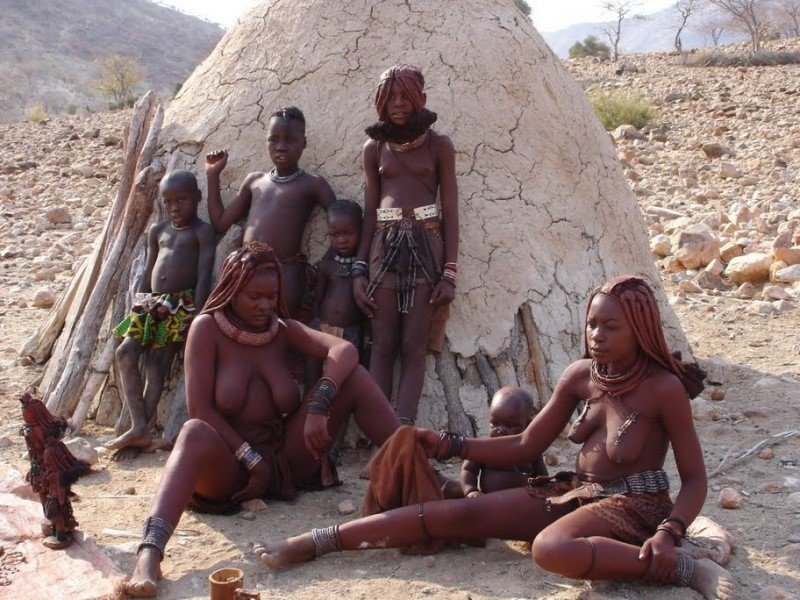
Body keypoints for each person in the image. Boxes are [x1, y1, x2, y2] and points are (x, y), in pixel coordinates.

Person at [255, 276, 735, 600]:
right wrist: (449, 444)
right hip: (578, 494)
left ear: (640, 329)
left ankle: (685, 569)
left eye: (611, 326)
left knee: (549, 549)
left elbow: (694, 479)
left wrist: (670, 532)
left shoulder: (662, 389)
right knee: (459, 515)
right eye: (592, 323)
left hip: (635, 505)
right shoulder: (581, 375)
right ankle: (316, 542)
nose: (597, 335)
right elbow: (526, 445)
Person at [123, 242, 400, 598]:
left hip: (282, 460)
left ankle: (420, 467)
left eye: (272, 296)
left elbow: (343, 349)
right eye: (255, 296)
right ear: (232, 290)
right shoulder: (206, 329)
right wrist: (250, 458)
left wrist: (320, 402)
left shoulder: (281, 329)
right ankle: (149, 554)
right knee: (193, 432)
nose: (265, 305)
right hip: (229, 467)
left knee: (353, 377)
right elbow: (201, 409)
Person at [352, 65, 459, 425]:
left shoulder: (439, 146)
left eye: (405, 96)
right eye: (390, 97)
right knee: (382, 345)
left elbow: (451, 212)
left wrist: (449, 273)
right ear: (380, 103)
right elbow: (370, 211)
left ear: (420, 99)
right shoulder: (375, 148)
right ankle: (381, 434)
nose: (397, 104)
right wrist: (359, 270)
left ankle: (403, 435)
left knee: (413, 346)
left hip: (426, 248)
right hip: (383, 249)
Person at [106, 171, 215, 459]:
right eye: (168, 201)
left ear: (197, 198)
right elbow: (148, 270)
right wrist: (139, 305)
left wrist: (197, 317)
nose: (174, 207)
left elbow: (204, 277)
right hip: (150, 304)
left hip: (179, 306)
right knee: (125, 352)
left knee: (157, 365)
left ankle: (140, 430)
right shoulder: (158, 230)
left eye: (182, 200)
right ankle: (139, 425)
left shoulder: (201, 231)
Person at [205, 107, 336, 318]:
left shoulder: (313, 184)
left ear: (303, 143)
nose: (281, 147)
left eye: (291, 140)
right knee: (236, 324)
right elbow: (220, 223)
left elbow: (342, 221)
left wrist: (325, 262)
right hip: (246, 270)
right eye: (273, 140)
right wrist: (212, 175)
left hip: (285, 271)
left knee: (280, 327)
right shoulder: (254, 181)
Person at [460, 387, 547, 498]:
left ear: (528, 424)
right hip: (490, 501)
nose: (500, 430)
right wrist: (471, 490)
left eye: (510, 425)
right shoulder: (484, 447)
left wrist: (543, 489)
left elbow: (541, 474)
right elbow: (468, 470)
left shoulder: (530, 449)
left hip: (523, 501)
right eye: (494, 423)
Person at [310, 199, 367, 364]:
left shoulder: (363, 270)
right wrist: (314, 324)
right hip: (322, 329)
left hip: (351, 334)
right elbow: (317, 299)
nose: (341, 240)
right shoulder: (327, 266)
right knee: (313, 366)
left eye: (348, 233)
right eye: (335, 235)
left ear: (361, 231)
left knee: (345, 371)